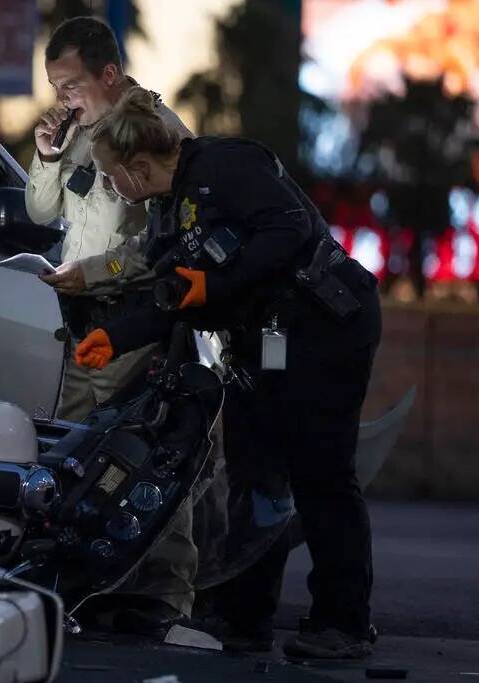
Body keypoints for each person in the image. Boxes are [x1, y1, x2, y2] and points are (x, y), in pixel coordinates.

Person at [60, 87, 382, 659]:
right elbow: (172, 293)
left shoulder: (227, 165)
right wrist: (116, 337)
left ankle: (345, 621)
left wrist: (217, 284)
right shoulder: (170, 209)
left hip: (324, 328)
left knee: (320, 472)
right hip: (268, 341)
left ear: (136, 168)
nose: (112, 188)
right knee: (256, 471)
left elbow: (289, 231)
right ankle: (243, 616)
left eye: (111, 177)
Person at [26, 17, 198, 633]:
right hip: (82, 323)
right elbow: (41, 208)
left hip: (131, 320)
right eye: (54, 86)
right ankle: (86, 579)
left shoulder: (153, 130)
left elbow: (162, 242)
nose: (61, 99)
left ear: (108, 73)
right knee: (76, 452)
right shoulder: (75, 130)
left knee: (142, 450)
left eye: (70, 85)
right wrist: (46, 157)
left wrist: (92, 275)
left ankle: (162, 594)